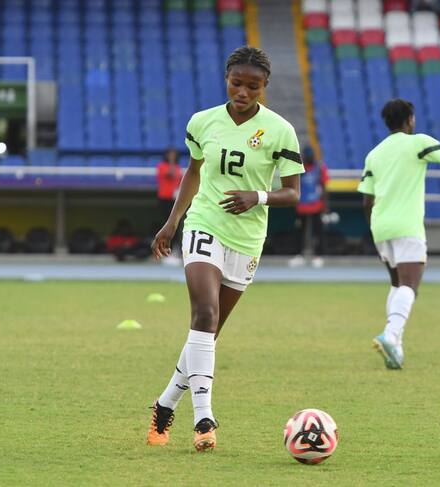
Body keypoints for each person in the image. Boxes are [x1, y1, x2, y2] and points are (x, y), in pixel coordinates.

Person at [147, 45, 304, 451]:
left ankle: (165, 404)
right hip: (204, 224)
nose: (243, 92)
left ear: (265, 86)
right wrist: (173, 221)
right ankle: (204, 419)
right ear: (226, 79)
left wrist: (258, 196)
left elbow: (293, 193)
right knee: (204, 312)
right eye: (237, 83)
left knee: (208, 333)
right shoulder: (202, 122)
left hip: (247, 240)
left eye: (253, 86)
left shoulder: (280, 131)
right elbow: (193, 172)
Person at [357, 98, 440, 370]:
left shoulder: (374, 153)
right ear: (410, 119)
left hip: (380, 227)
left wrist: (375, 227)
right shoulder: (418, 142)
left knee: (397, 285)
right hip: (407, 226)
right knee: (410, 286)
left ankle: (395, 349)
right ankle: (390, 335)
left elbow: (366, 201)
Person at [295, 145, 329, 265]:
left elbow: (324, 188)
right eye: (307, 156)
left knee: (318, 232)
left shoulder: (319, 168)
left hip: (316, 206)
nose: (309, 158)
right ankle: (299, 255)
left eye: (311, 156)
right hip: (302, 206)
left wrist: (325, 207)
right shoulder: (299, 169)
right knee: (300, 232)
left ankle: (318, 256)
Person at [156, 148, 183, 256]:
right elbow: (170, 174)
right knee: (167, 224)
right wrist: (172, 161)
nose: (172, 156)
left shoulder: (178, 167)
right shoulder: (162, 166)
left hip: (174, 199)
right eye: (170, 154)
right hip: (165, 199)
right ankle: (165, 249)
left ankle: (175, 249)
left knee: (176, 225)